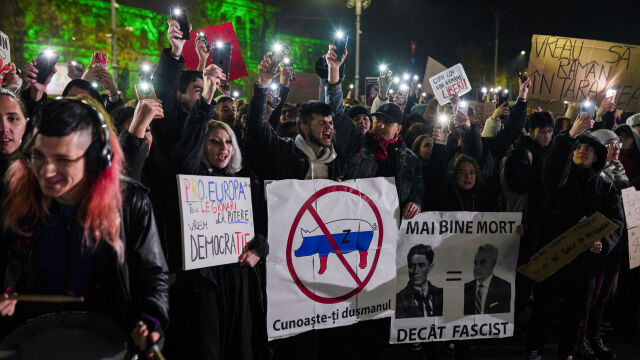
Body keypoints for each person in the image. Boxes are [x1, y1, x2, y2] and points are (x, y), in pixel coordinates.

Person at [0, 97, 169, 357]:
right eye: (38, 157)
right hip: (34, 342)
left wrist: (151, 321)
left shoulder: (130, 203)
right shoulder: (18, 199)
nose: (46, 171)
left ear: (95, 158)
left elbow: (152, 277)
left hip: (108, 344)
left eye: (63, 160)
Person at [165, 63, 268, 360]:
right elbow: (185, 152)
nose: (223, 148)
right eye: (214, 141)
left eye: (228, 142)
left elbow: (262, 227)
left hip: (239, 279)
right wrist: (206, 100)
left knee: (240, 347)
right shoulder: (190, 178)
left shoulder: (244, 183)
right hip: (203, 285)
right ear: (202, 146)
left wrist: (259, 248)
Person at [527, 114, 625, 360]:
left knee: (577, 312)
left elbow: (616, 223)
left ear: (597, 157)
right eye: (578, 147)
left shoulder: (606, 187)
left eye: (588, 149)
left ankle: (568, 353)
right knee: (544, 307)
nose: (581, 151)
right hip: (555, 255)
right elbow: (553, 166)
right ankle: (535, 350)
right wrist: (568, 137)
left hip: (585, 263)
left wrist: (603, 244)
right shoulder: (560, 179)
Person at [328, 45, 423, 219]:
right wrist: (334, 73)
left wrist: (415, 203)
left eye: (387, 122)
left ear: (399, 129)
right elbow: (338, 113)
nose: (380, 125)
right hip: (355, 219)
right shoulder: (357, 143)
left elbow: (417, 188)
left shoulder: (410, 159)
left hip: (389, 227)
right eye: (378, 120)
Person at [577, 129, 629, 360]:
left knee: (606, 294)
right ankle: (582, 337)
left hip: (616, 243)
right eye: (610, 145)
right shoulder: (595, 176)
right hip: (598, 242)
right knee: (593, 295)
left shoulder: (622, 171)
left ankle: (595, 335)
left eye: (618, 144)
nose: (616, 148)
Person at [396, 244, 443, 318]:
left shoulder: (441, 294)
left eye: (421, 265)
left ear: (430, 267)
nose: (416, 271)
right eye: (412, 266)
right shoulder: (398, 299)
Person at [463, 244, 511, 315]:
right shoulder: (466, 287)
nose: (477, 267)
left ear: (493, 263)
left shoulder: (505, 287)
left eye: (483, 262)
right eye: (475, 262)